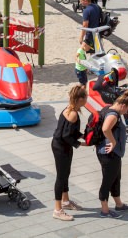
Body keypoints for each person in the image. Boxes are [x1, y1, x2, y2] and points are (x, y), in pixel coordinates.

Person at [96, 89, 128, 218]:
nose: (127, 112)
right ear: (123, 105)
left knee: (115, 178)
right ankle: (105, 210)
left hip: (112, 153)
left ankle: (119, 204)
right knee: (107, 180)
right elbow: (105, 129)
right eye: (127, 110)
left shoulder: (108, 108)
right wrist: (113, 142)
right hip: (108, 153)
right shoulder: (113, 115)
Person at [51, 84, 87, 222]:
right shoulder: (73, 114)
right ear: (80, 99)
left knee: (66, 173)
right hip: (61, 147)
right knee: (61, 177)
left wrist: (83, 135)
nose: (87, 100)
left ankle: (65, 201)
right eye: (86, 97)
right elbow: (66, 135)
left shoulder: (69, 109)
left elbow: (69, 131)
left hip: (60, 145)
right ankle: (57, 209)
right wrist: (79, 143)